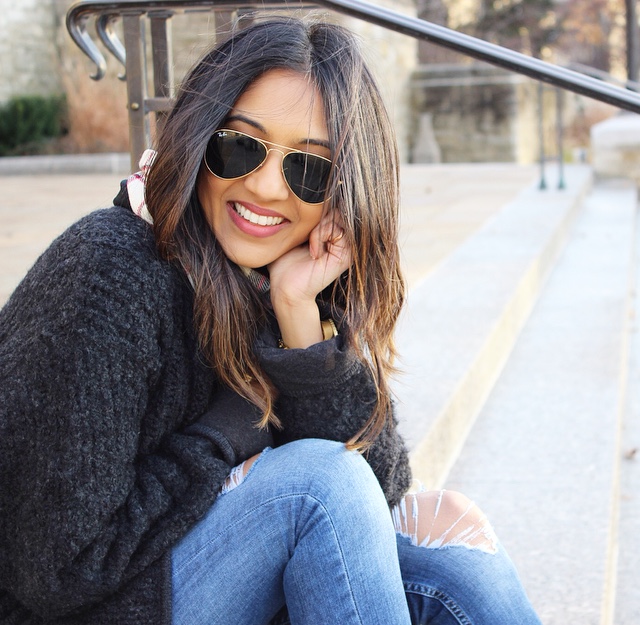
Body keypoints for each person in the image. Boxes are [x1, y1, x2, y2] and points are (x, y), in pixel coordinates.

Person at [0, 17, 542, 625]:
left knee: (455, 557)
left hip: (194, 581)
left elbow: (382, 492)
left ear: (343, 193)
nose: (263, 187)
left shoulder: (276, 277)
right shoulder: (108, 270)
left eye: (308, 169)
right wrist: (225, 438)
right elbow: (55, 571)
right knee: (318, 487)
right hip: (80, 608)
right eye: (240, 146)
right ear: (198, 138)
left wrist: (298, 321)